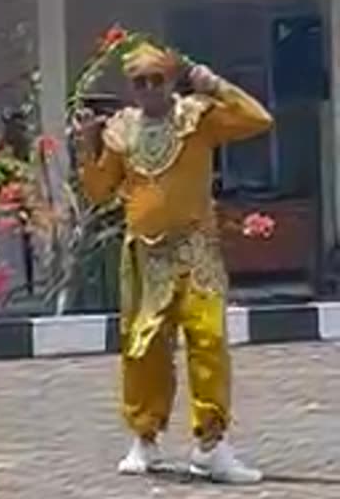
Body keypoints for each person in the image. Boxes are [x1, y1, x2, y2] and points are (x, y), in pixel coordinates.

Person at [75, 41, 272, 484]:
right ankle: (145, 437)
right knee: (143, 349)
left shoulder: (197, 118)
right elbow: (99, 192)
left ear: (171, 80)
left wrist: (213, 83)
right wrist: (88, 147)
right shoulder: (122, 130)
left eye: (156, 80)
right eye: (139, 82)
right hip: (146, 254)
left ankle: (212, 444)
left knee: (209, 341)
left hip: (196, 248)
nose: (148, 89)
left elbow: (259, 119)